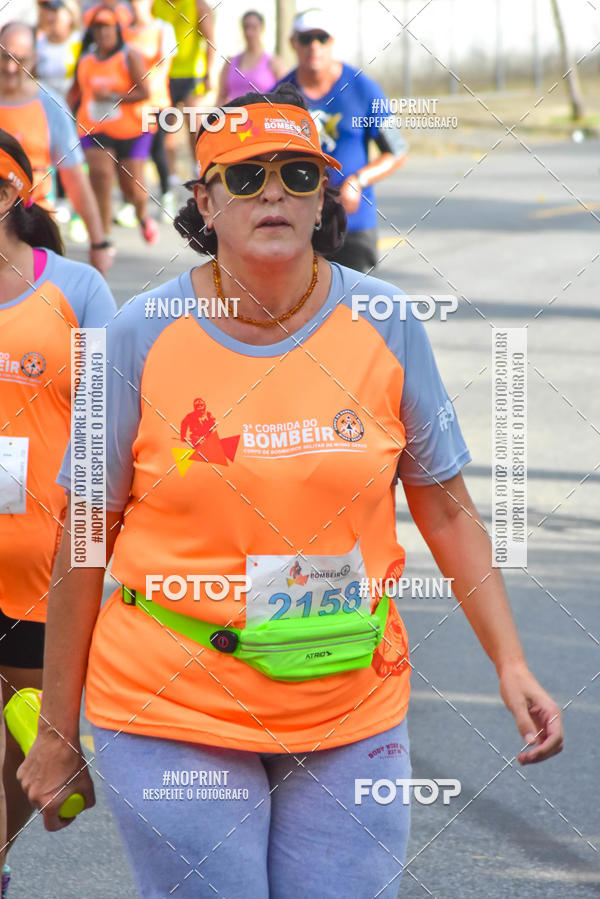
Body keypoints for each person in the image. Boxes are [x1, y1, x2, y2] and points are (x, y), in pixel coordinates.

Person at [18, 84, 562, 898]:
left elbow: (445, 507)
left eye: (297, 174)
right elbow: (83, 536)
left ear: (322, 197)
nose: (272, 191)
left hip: (349, 698)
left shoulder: (386, 319)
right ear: (204, 201)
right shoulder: (133, 333)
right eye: (245, 177)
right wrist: (57, 727)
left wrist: (509, 661)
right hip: (175, 700)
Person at [0, 128, 116, 898]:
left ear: (11, 194)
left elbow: (111, 435)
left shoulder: (78, 291)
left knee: (28, 756)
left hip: (43, 568)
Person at [279, 8, 408, 273]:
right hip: (297, 227)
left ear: (332, 42)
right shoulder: (279, 96)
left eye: (321, 38)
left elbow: (397, 150)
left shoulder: (363, 89)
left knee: (353, 311)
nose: (314, 46)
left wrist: (358, 181)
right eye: (305, 39)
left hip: (353, 227)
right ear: (293, 43)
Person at [0, 21, 112, 274]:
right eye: (4, 57)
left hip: (34, 231)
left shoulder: (50, 104)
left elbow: (75, 180)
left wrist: (99, 242)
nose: (9, 67)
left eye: (19, 59)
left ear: (34, 58)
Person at [71, 5, 158, 245]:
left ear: (117, 31)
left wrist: (112, 95)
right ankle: (103, 238)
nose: (103, 34)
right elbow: (75, 91)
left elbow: (144, 92)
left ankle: (142, 216)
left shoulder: (129, 55)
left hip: (131, 128)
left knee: (132, 188)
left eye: (107, 28)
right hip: (95, 127)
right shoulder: (86, 59)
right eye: (98, 29)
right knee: (100, 176)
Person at [122, 0, 177, 222]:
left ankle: (167, 195)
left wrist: (146, 89)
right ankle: (131, 201)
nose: (137, 5)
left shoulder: (163, 29)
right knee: (132, 153)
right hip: (132, 103)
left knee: (157, 149)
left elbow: (164, 66)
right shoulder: (124, 32)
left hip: (157, 102)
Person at [35, 0, 85, 239]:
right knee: (49, 163)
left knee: (75, 164)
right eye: (47, 9)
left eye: (57, 9)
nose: (52, 15)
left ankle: (79, 215)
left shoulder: (79, 43)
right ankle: (50, 210)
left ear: (70, 14)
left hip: (75, 111)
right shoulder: (38, 43)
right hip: (45, 113)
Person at [151, 0, 215, 180]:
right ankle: (171, 175)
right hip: (165, 75)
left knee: (194, 124)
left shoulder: (197, 5)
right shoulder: (156, 5)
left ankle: (199, 168)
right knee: (167, 126)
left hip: (192, 74)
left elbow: (211, 40)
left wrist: (209, 73)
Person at [216, 10, 285, 106]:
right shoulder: (230, 62)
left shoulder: (274, 62)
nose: (249, 32)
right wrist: (214, 118)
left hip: (263, 117)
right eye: (246, 27)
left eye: (254, 27)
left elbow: (286, 96)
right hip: (235, 118)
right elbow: (221, 97)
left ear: (262, 28)